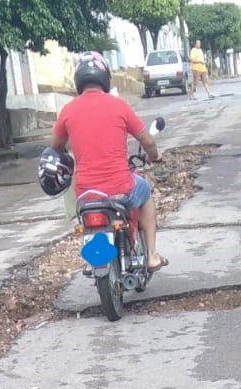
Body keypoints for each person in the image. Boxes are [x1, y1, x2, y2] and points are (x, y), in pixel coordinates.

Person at [51, 52, 167, 272]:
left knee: (85, 219)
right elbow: (147, 141)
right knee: (147, 194)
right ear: (104, 77)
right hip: (120, 188)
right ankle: (152, 255)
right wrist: (155, 157)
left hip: (86, 194)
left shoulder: (67, 111)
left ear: (79, 80)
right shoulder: (119, 106)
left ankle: (93, 257)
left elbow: (55, 147)